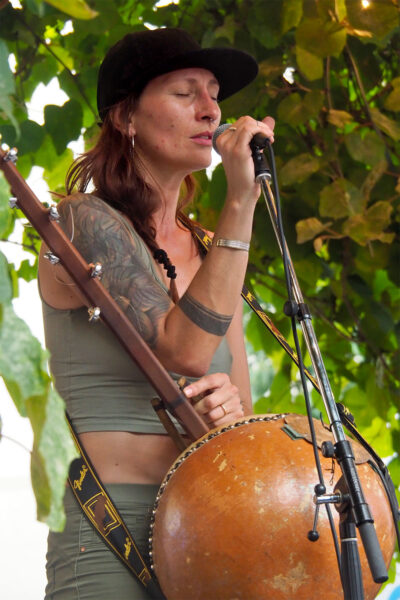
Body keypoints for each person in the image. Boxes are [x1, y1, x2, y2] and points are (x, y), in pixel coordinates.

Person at [38, 27, 275, 599]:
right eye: (185, 92)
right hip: (110, 528)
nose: (211, 109)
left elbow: (239, 415)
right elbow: (184, 349)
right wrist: (242, 200)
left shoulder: (211, 250)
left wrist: (230, 409)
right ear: (126, 118)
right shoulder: (82, 223)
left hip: (209, 527)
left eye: (214, 93)